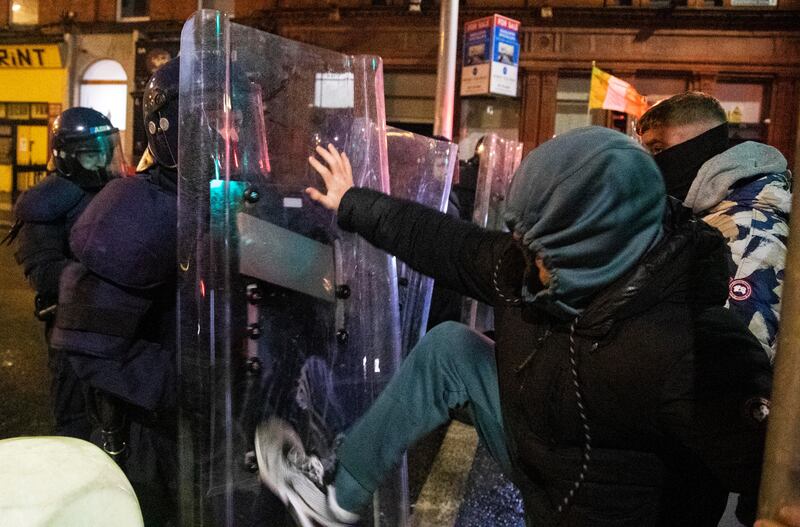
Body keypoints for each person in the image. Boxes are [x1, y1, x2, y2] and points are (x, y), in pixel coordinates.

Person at [255, 126, 772, 526]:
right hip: (541, 455)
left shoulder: (693, 348)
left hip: (605, 510)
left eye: (539, 251)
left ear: (591, 250)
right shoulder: (529, 266)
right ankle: (333, 500)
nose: (521, 260)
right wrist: (353, 202)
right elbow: (444, 242)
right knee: (449, 349)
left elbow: (770, 478)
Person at [50, 57, 180, 527]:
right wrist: (185, 384)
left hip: (249, 433)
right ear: (170, 128)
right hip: (165, 437)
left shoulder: (241, 199)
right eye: (213, 122)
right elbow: (89, 346)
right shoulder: (133, 211)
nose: (229, 138)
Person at [637, 91, 791, 361]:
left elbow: (739, 357)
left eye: (658, 148)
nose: (650, 162)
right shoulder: (705, 211)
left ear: (700, 143)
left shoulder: (750, 233)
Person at [3, 107, 126, 439]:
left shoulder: (109, 191)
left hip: (117, 322)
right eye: (90, 156)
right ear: (67, 156)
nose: (101, 163)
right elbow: (43, 273)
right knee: (76, 419)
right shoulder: (46, 202)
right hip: (71, 326)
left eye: (105, 152)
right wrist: (106, 276)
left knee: (119, 413)